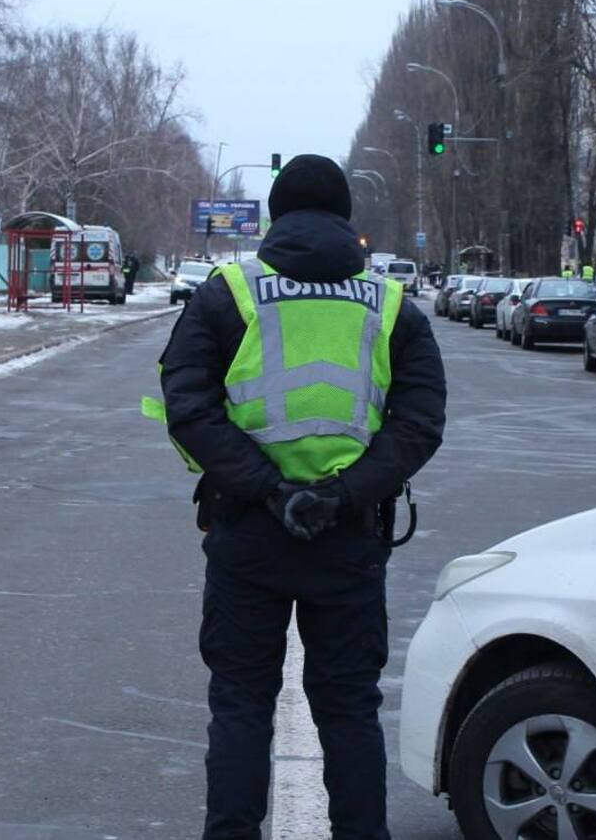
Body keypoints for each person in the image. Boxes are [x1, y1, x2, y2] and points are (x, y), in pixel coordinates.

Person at [156, 154, 447, 840]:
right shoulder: (392, 303)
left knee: (241, 706)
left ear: (276, 214)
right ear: (346, 217)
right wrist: (342, 495)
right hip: (346, 539)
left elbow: (187, 403)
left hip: (249, 532)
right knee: (348, 710)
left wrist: (268, 490)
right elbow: (419, 422)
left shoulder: (229, 292)